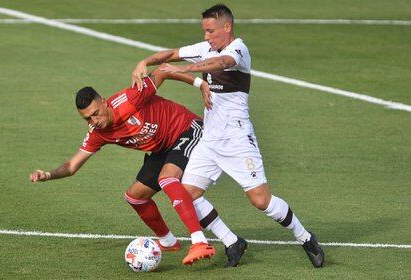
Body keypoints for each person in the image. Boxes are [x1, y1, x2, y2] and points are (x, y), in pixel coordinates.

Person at [132, 4, 325, 268]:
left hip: (237, 139)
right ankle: (232, 241)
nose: (207, 37)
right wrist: (145, 62)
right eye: (204, 31)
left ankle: (305, 237)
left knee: (261, 201)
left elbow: (222, 63)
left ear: (227, 27)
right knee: (187, 193)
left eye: (211, 31)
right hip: (209, 141)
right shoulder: (205, 48)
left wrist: (186, 71)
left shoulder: (238, 49)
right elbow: (173, 53)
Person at [29, 67, 219, 266]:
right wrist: (48, 174)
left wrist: (200, 84)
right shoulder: (97, 132)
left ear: (104, 101)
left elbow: (163, 71)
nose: (94, 121)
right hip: (163, 148)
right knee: (135, 197)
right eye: (87, 118)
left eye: (96, 113)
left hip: (187, 128)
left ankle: (199, 242)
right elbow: (71, 166)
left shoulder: (129, 99)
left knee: (166, 178)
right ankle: (168, 242)